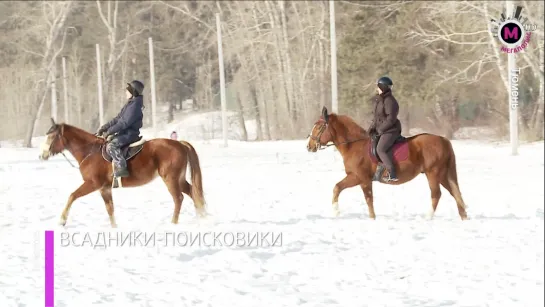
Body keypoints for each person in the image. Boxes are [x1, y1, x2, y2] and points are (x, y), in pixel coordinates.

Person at [96, 80, 145, 178]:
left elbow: (124, 123)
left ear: (133, 92)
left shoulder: (134, 106)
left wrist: (109, 132)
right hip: (125, 133)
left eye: (128, 90)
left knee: (111, 146)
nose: (126, 92)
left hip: (130, 134)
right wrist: (104, 128)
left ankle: (122, 168)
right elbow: (117, 118)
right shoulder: (130, 104)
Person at [368, 76, 402, 182]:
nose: (376, 89)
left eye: (378, 87)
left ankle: (392, 172)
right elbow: (376, 118)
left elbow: (391, 119)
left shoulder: (390, 101)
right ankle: (378, 171)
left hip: (391, 130)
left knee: (380, 149)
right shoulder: (380, 100)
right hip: (382, 130)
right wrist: (371, 129)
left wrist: (380, 129)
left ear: (382, 87)